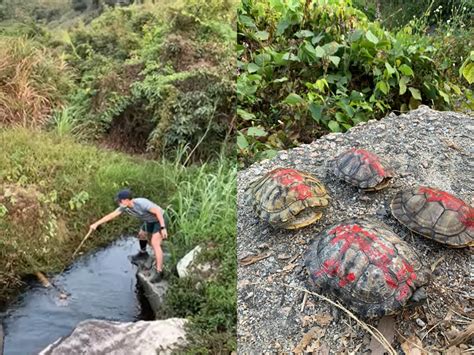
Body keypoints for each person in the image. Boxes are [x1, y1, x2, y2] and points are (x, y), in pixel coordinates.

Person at [90, 189, 168, 283]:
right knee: (141, 234)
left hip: (160, 218)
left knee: (155, 243)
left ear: (127, 200)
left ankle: (159, 271)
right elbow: (111, 215)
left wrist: (163, 228)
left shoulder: (141, 203)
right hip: (150, 220)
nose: (119, 203)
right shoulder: (125, 207)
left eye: (120, 201)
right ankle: (143, 253)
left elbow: (158, 212)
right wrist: (96, 224)